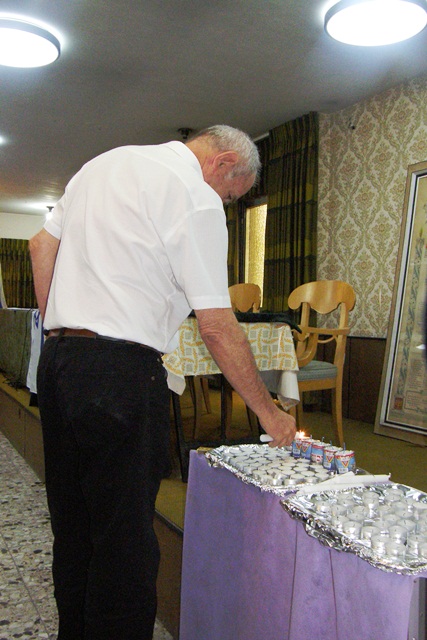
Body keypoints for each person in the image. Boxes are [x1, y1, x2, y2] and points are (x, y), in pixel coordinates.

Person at [29, 124, 296, 640]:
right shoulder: (195, 195)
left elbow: (41, 245)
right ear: (222, 163)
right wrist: (269, 412)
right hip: (120, 373)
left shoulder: (104, 163)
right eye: (231, 195)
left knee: (74, 525)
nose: (225, 204)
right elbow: (216, 326)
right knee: (124, 540)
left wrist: (63, 328)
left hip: (60, 364)